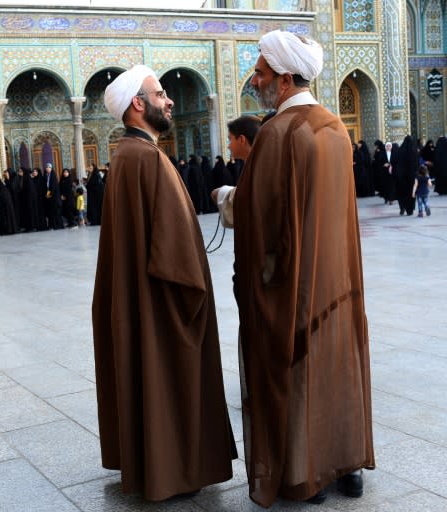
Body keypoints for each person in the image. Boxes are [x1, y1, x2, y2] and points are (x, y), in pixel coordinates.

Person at [232, 30, 374, 507]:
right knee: (337, 369)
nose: (255, 81)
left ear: (286, 77)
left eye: (262, 73)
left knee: (293, 373)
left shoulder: (278, 132)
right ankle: (346, 466)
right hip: (339, 278)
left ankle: (304, 473)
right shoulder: (335, 127)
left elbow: (260, 214)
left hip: (294, 280)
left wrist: (227, 202)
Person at [92, 64, 237, 501]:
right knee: (170, 380)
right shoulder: (148, 159)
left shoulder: (127, 156)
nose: (169, 100)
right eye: (159, 95)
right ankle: (174, 469)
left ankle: (155, 465)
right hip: (162, 302)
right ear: (138, 105)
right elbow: (176, 254)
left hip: (143, 297)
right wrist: (195, 294)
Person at [211, 115, 260, 227]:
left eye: (230, 139)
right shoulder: (252, 164)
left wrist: (221, 193)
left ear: (242, 139)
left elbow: (253, 201)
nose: (228, 146)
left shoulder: (260, 167)